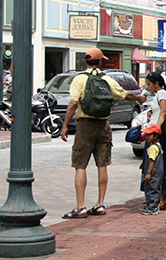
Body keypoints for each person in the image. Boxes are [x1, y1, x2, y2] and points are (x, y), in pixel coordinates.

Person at [61, 48, 145, 219]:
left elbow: (73, 103)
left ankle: (80, 206)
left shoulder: (79, 80)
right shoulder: (107, 79)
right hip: (104, 125)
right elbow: (124, 95)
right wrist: (138, 98)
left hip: (85, 125)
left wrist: (64, 126)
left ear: (86, 62)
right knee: (102, 165)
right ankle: (100, 204)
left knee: (80, 165)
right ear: (100, 62)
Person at [141, 72, 166, 210]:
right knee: (155, 165)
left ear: (157, 83)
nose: (147, 87)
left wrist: (157, 129)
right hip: (155, 133)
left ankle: (162, 198)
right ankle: (156, 197)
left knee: (158, 167)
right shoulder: (159, 94)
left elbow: (163, 113)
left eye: (149, 84)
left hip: (158, 134)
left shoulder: (162, 94)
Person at [141, 124, 164, 215]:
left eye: (149, 135)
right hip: (159, 172)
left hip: (153, 172)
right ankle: (154, 206)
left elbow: (151, 161)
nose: (146, 137)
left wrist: (148, 173)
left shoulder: (152, 148)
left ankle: (152, 207)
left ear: (155, 136)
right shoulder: (158, 146)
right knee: (156, 188)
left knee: (151, 189)